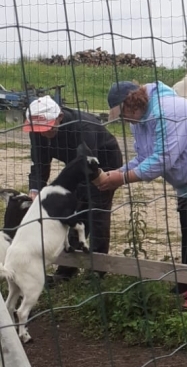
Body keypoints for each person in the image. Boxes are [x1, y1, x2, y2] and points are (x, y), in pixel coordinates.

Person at [95, 81, 187, 308]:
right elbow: (144, 156)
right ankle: (186, 281)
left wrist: (123, 178)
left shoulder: (170, 110)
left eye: (121, 114)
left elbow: (163, 158)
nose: (123, 121)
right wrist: (117, 173)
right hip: (186, 179)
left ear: (130, 104)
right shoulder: (138, 121)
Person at [24, 94, 123, 282]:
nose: (43, 133)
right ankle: (66, 270)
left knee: (96, 211)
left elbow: (89, 162)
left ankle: (97, 269)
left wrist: (82, 192)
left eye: (47, 128)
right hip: (75, 166)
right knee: (72, 215)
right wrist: (35, 190)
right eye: (38, 130)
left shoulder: (82, 127)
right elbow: (40, 164)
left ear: (59, 117)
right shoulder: (38, 132)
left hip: (102, 164)